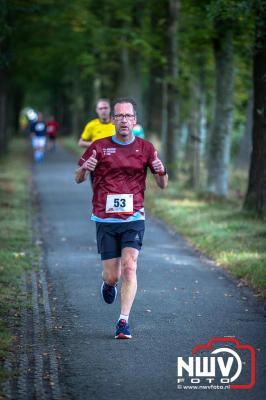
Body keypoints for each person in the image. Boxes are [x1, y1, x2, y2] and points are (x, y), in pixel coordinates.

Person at [75, 98, 168, 339]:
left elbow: (162, 184)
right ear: (113, 120)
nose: (124, 120)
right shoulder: (98, 146)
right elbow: (78, 178)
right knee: (112, 275)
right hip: (105, 218)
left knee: (129, 267)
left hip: (134, 216)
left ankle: (123, 322)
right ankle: (108, 284)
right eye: (120, 116)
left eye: (128, 116)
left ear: (135, 120)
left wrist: (161, 170)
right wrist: (85, 167)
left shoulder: (146, 148)